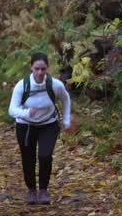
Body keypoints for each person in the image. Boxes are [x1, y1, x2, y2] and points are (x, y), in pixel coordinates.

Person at [8, 52, 73, 204]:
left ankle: (43, 190)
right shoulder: (22, 85)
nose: (40, 73)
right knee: (28, 159)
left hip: (48, 124)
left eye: (43, 69)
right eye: (37, 69)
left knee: (45, 156)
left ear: (47, 68)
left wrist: (67, 119)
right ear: (31, 68)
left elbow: (65, 99)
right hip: (25, 126)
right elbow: (12, 109)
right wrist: (26, 113)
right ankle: (31, 190)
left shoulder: (55, 84)